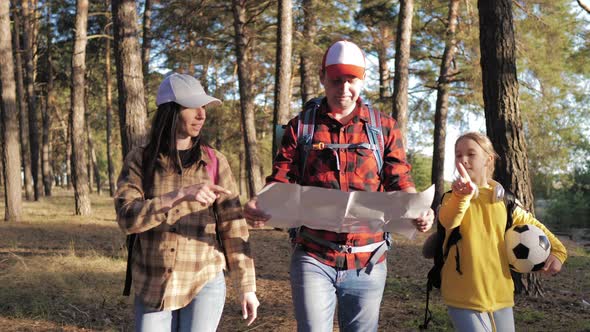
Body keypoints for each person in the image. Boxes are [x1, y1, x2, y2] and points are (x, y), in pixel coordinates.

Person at [244, 40, 434, 332]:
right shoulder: (301, 127)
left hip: (369, 260)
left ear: (362, 79)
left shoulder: (383, 127)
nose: (344, 89)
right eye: (335, 80)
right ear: (322, 77)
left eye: (351, 80)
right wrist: (260, 203)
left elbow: (400, 180)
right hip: (313, 255)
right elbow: (281, 178)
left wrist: (420, 210)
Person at [114, 73, 259, 332]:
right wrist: (178, 196)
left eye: (203, 107)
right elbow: (127, 218)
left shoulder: (215, 161)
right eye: (193, 107)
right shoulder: (140, 160)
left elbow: (234, 228)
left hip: (204, 280)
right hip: (153, 283)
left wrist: (246, 287)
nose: (202, 114)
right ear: (171, 111)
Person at [438, 131, 567, 332]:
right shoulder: (451, 198)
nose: (463, 159)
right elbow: (448, 220)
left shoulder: (505, 201)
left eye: (471, 154)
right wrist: (462, 196)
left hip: (501, 296)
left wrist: (558, 253)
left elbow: (536, 225)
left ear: (488, 159)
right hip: (463, 295)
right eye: (458, 154)